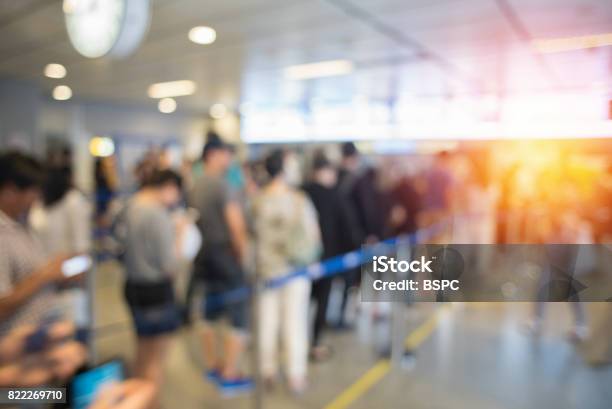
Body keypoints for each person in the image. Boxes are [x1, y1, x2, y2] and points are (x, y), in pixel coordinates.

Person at [252, 150, 321, 393]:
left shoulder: (257, 201)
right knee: (295, 321)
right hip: (295, 270)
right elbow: (313, 235)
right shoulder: (298, 200)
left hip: (265, 271)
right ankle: (295, 375)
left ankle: (267, 370)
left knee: (267, 321)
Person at [189, 139, 252, 394]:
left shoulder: (196, 185)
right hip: (225, 256)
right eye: (226, 154)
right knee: (239, 315)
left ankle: (214, 365)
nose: (229, 160)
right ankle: (230, 373)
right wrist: (241, 254)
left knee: (209, 313)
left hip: (203, 256)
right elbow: (235, 225)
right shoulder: (224, 186)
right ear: (213, 155)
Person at [121, 170, 183, 400]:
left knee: (142, 353)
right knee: (156, 360)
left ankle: (137, 401)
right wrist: (180, 234)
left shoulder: (129, 206)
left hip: (133, 285)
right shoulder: (157, 214)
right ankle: (149, 403)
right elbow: (169, 265)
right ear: (168, 186)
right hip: (155, 290)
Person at [0, 151, 72, 335]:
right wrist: (45, 275)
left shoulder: (21, 224)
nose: (37, 199)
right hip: (16, 350)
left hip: (39, 339)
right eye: (33, 192)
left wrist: (55, 271)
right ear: (9, 192)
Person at [302, 152, 358, 361]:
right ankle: (315, 343)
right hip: (328, 258)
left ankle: (298, 342)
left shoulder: (301, 192)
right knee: (321, 303)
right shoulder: (335, 196)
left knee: (302, 302)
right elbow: (348, 228)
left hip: (301, 261)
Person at [29, 165, 92, 328]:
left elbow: (82, 253)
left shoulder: (73, 201)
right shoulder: (39, 203)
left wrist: (59, 273)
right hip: (38, 284)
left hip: (65, 285)